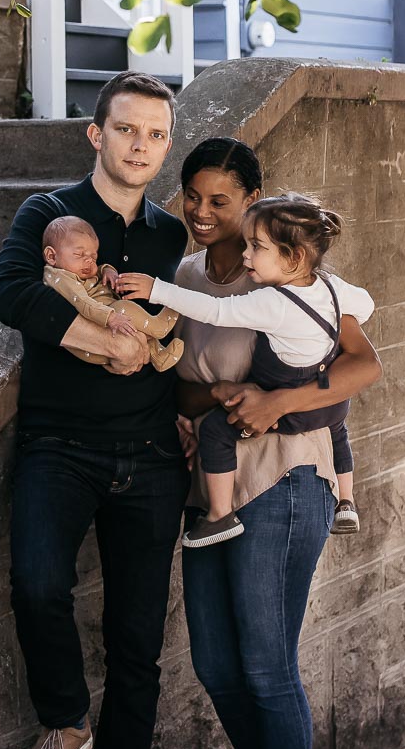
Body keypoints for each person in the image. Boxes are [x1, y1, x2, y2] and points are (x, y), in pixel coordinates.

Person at [0, 72, 188, 749]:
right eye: (127, 129)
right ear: (95, 134)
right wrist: (100, 339)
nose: (140, 146)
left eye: (155, 134)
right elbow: (10, 294)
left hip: (151, 458)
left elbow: (210, 317)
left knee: (139, 641)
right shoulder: (48, 214)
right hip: (59, 444)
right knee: (37, 584)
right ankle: (66, 722)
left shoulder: (174, 238)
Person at [171, 137, 382, 749]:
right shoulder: (188, 273)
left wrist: (276, 400)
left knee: (264, 661)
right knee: (216, 663)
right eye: (192, 196)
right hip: (213, 480)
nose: (201, 212)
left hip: (288, 474)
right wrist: (191, 408)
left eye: (220, 200)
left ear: (253, 200)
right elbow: (186, 378)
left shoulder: (299, 277)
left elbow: (357, 363)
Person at [117, 193, 371, 545]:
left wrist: (157, 289)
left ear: (294, 256)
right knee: (337, 428)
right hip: (325, 401)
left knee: (217, 433)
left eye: (256, 247)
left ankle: (220, 515)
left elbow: (215, 310)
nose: (246, 255)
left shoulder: (272, 302)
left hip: (281, 408)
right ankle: (346, 500)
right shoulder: (330, 287)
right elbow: (366, 303)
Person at [42, 213, 184, 372]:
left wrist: (107, 270)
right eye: (79, 254)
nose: (89, 261)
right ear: (51, 256)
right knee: (123, 308)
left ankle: (158, 356)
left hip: (108, 341)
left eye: (93, 257)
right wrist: (111, 316)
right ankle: (159, 326)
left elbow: (97, 271)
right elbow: (82, 302)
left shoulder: (74, 269)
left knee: (132, 328)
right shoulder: (60, 277)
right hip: (96, 335)